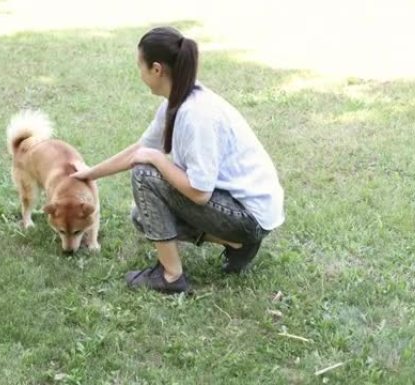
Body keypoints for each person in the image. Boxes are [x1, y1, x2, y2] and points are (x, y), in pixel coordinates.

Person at [71, 26, 284, 294]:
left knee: (144, 174)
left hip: (249, 216)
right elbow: (140, 149)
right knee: (143, 217)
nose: (139, 73)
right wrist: (90, 174)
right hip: (236, 208)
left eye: (140, 66)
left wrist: (157, 161)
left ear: (156, 69)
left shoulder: (198, 115)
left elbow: (199, 193)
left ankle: (172, 276)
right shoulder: (177, 101)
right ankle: (238, 244)